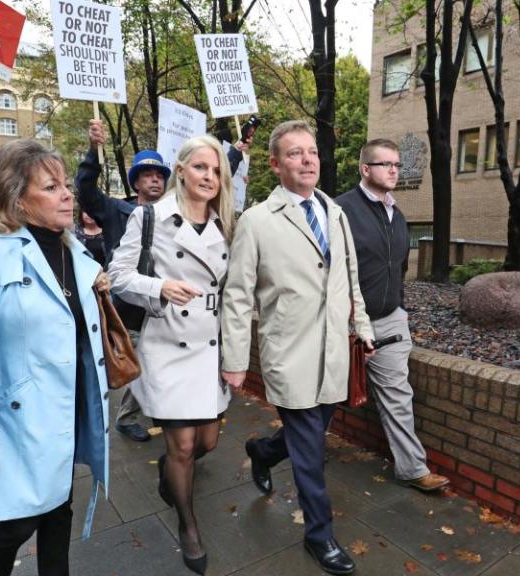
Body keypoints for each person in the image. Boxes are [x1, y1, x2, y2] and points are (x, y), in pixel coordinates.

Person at [0, 139, 111, 576]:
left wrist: (98, 286)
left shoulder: (73, 249)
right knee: (19, 522)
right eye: (51, 187)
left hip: (67, 410)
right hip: (18, 420)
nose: (67, 194)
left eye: (65, 185)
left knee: (60, 513)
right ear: (18, 199)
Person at [221, 120, 374, 576]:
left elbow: (350, 279)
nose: (307, 160)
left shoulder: (335, 211)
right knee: (310, 449)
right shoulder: (257, 221)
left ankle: (263, 451)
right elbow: (238, 295)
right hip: (289, 353)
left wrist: (362, 326)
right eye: (294, 153)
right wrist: (233, 361)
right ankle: (320, 535)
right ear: (274, 164)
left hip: (334, 353)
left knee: (305, 435)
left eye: (311, 152)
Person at [108, 135, 235, 575]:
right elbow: (117, 275)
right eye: (201, 167)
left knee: (207, 442)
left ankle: (171, 469)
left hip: (210, 345)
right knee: (182, 444)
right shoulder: (150, 217)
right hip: (168, 339)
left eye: (217, 170)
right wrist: (158, 287)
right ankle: (188, 525)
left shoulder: (226, 223)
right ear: (180, 169)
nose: (209, 177)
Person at [335, 139, 450, 493]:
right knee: (320, 400)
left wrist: (398, 306)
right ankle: (273, 450)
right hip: (346, 324)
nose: (394, 170)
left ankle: (412, 468)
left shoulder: (397, 216)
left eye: (397, 164)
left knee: (399, 394)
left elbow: (398, 269)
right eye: (385, 164)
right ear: (365, 169)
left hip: (389, 321)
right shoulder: (340, 210)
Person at [77, 119, 172, 443]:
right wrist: (93, 151)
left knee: (153, 364)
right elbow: (86, 191)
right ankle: (123, 417)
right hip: (128, 307)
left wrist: (237, 153)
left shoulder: (173, 216)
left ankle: (146, 411)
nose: (155, 180)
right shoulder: (116, 210)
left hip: (162, 305)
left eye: (160, 175)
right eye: (148, 175)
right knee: (137, 364)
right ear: (136, 181)